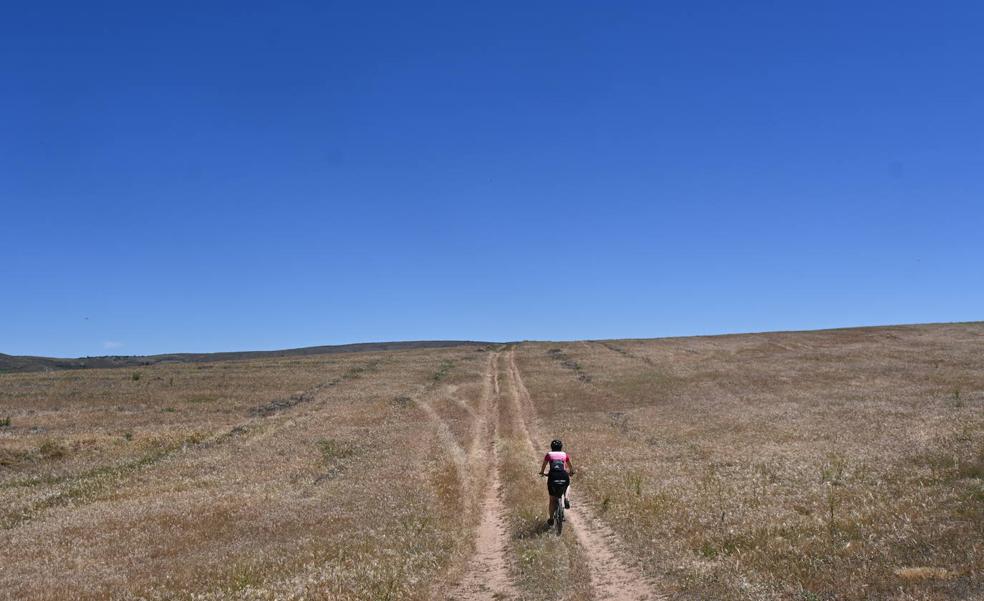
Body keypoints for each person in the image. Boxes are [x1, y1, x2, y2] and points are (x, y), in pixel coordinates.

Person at [539, 439, 575, 526]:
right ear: (561, 447)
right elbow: (570, 466)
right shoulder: (564, 454)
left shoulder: (549, 454)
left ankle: (551, 519)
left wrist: (542, 472)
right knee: (567, 485)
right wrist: (571, 472)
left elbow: (544, 465)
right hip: (563, 475)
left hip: (553, 476)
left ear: (552, 447)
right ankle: (566, 498)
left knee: (552, 500)